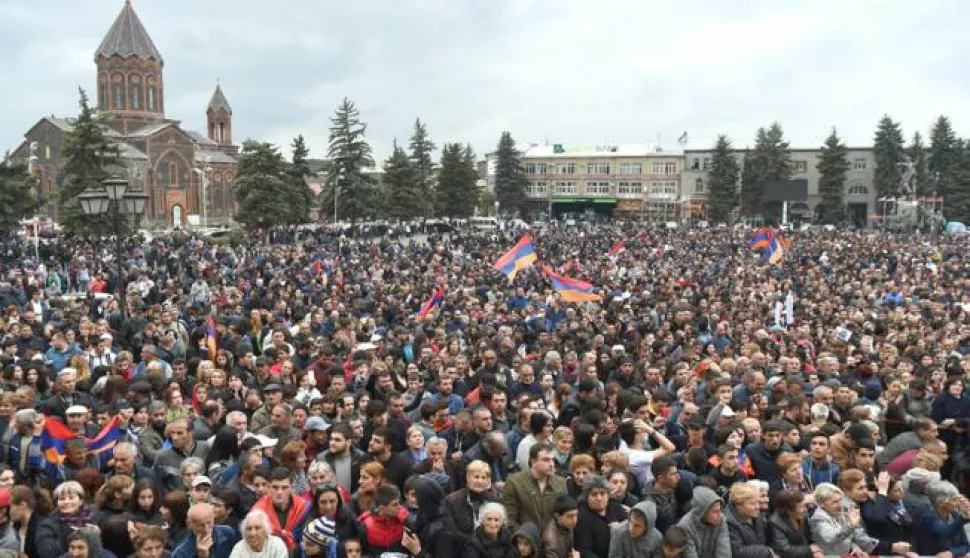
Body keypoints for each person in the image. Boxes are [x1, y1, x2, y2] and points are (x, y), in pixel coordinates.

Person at [503, 442, 567, 531]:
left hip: (553, 541)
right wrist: (524, 538)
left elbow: (563, 517)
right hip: (524, 539)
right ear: (533, 462)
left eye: (553, 460)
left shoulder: (561, 483)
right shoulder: (515, 482)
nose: (551, 464)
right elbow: (509, 519)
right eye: (546, 460)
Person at [250, 467, 312, 555]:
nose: (279, 492)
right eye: (275, 487)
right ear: (269, 487)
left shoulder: (303, 507)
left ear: (291, 487)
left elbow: (306, 540)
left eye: (284, 488)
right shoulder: (257, 511)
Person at [808, 483, 876, 557]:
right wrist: (851, 525)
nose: (840, 505)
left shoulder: (840, 511)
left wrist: (856, 549)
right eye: (835, 502)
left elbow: (848, 538)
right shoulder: (818, 518)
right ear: (821, 504)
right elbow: (832, 538)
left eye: (840, 500)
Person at [35, 481, 96, 558]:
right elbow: (47, 553)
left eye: (71, 498)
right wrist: (73, 533)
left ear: (81, 501)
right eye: (62, 499)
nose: (66, 502)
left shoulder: (93, 518)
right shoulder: (47, 526)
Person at [912, 480, 970, 557]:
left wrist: (952, 552)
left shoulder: (954, 515)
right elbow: (945, 532)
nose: (958, 503)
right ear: (940, 502)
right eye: (954, 500)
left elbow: (966, 546)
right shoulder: (926, 515)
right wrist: (963, 518)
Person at [575, 474, 626, 558]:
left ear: (608, 495)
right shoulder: (582, 517)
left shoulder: (616, 508)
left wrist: (620, 528)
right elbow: (585, 551)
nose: (599, 498)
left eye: (602, 493)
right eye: (594, 494)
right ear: (587, 497)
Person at [675, 486, 730, 558]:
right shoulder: (685, 526)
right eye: (715, 511)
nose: (720, 515)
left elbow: (724, 552)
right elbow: (690, 555)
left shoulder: (721, 520)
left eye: (720, 510)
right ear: (703, 512)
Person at [355, 484, 409, 556]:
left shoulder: (403, 519)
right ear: (382, 508)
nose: (400, 507)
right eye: (395, 505)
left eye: (399, 503)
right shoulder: (364, 527)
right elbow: (362, 553)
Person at [172, 503, 240, 558]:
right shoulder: (182, 552)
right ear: (190, 524)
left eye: (209, 523)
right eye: (200, 525)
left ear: (213, 519)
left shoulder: (227, 533)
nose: (206, 529)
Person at [768, 489, 823, 558]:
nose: (805, 510)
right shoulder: (775, 523)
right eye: (800, 507)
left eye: (804, 505)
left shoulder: (802, 515)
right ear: (788, 510)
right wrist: (809, 550)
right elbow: (784, 550)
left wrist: (816, 550)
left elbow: (810, 537)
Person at [724, 483, 773, 558]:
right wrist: (766, 551)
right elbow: (737, 551)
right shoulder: (729, 522)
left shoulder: (757, 515)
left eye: (757, 502)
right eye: (752, 504)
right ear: (739, 505)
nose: (757, 507)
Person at [543, 494, 579, 558]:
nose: (575, 520)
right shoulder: (551, 541)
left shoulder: (566, 524)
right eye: (570, 516)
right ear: (557, 516)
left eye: (576, 515)